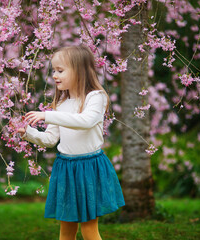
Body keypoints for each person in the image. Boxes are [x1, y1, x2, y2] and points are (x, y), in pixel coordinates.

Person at [18, 45, 125, 240]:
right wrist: (28, 132)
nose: (55, 76)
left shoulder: (96, 97)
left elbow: (86, 122)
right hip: (65, 169)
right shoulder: (61, 104)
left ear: (79, 71)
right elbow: (50, 139)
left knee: (89, 229)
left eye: (60, 70)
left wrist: (47, 115)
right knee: (66, 231)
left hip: (89, 168)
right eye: (54, 71)